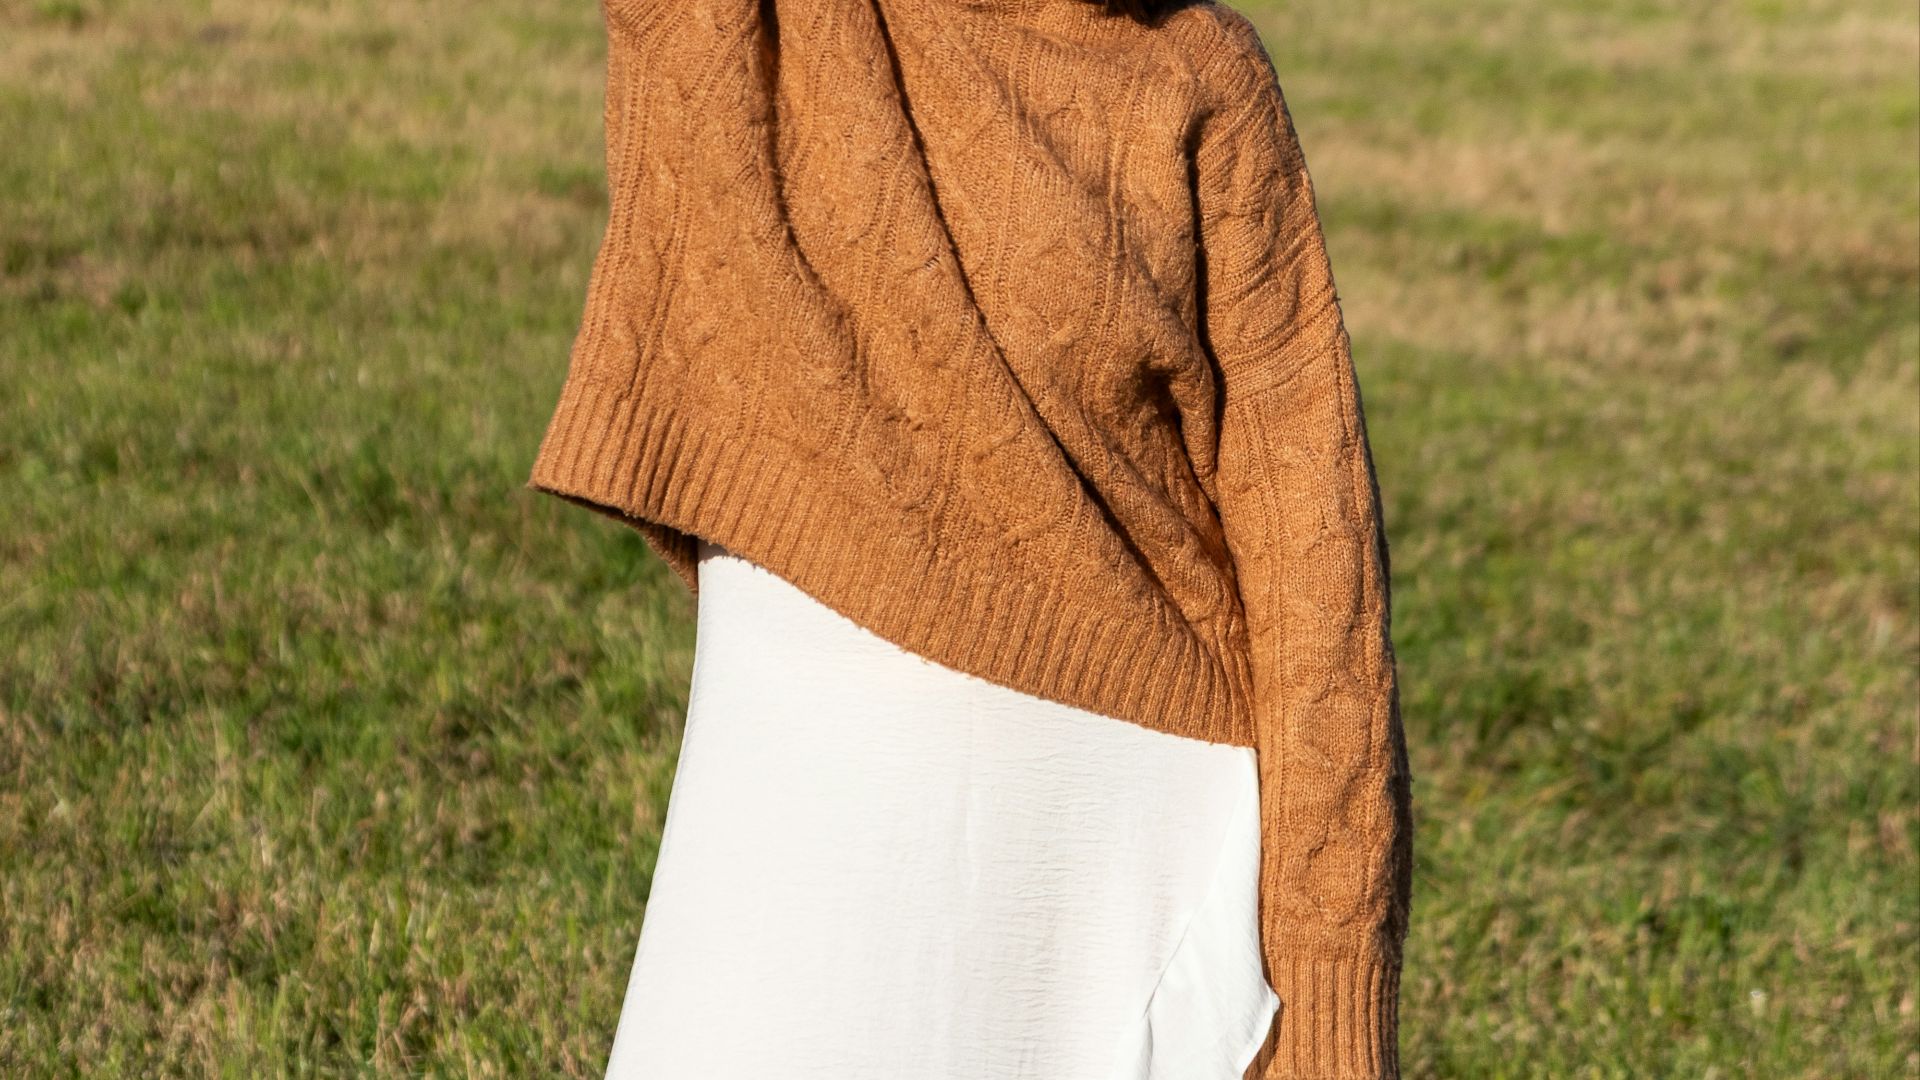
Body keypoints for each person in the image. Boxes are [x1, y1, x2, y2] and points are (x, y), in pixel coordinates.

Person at [525, 0, 1414, 1077]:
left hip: (1122, 815)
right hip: (815, 769)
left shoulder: (1192, 67)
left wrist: (1329, 968)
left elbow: (1319, 550)